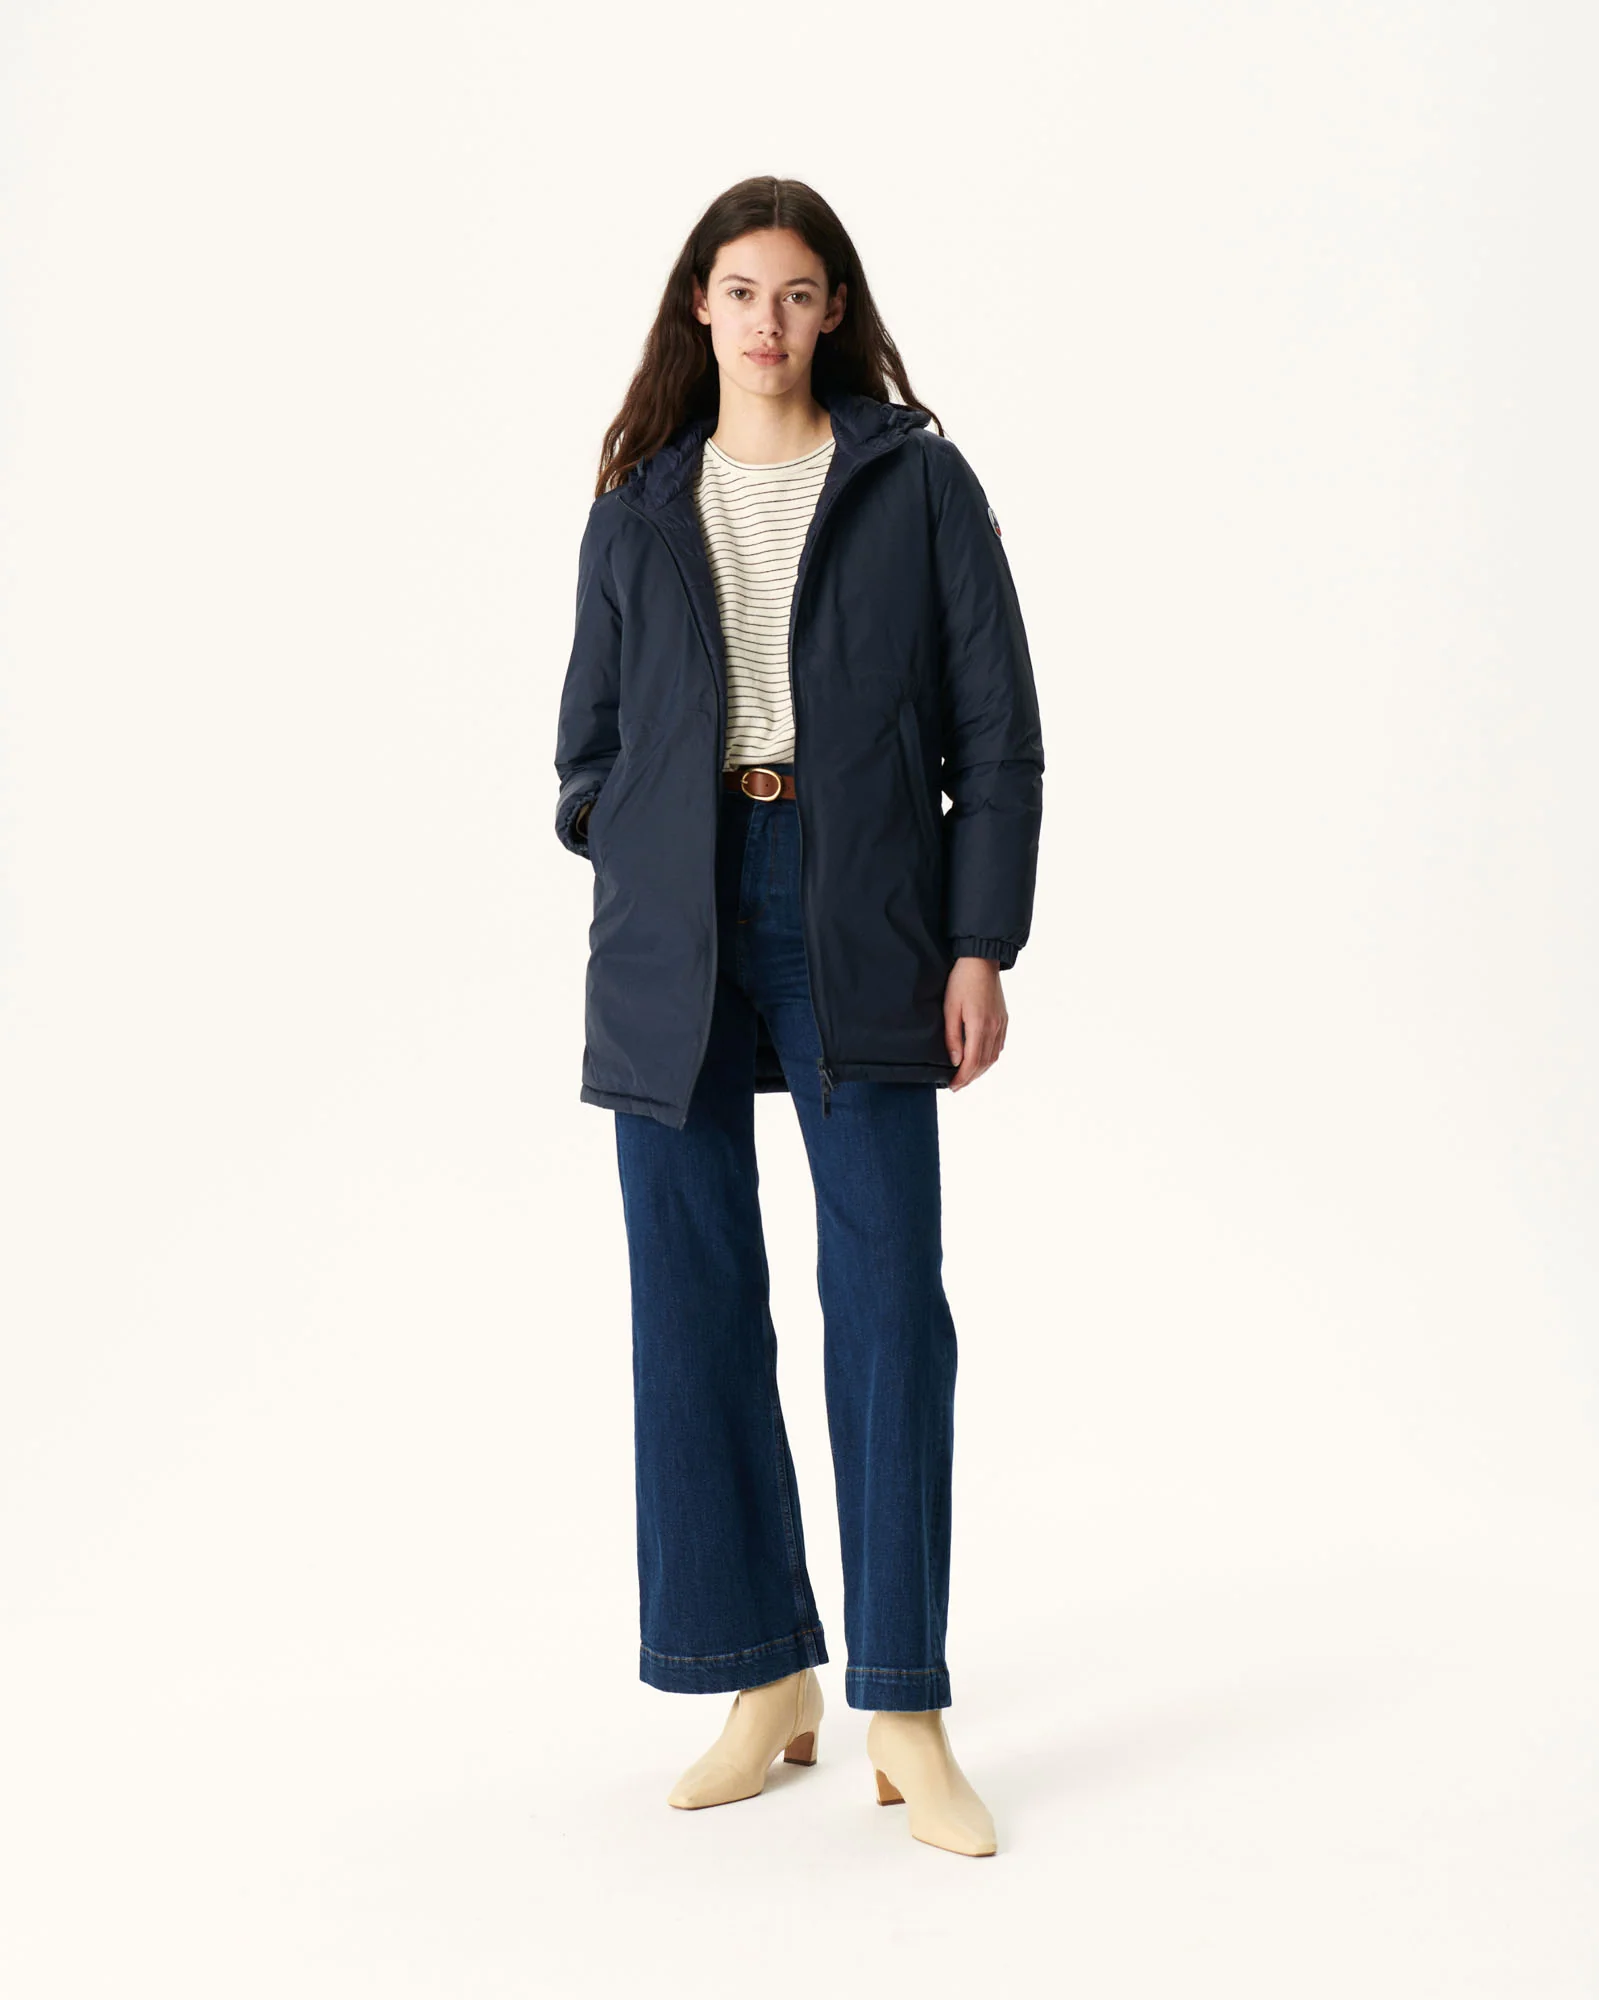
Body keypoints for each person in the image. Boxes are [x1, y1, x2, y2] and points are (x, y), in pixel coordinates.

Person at [552, 176, 1044, 1858]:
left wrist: (977, 941)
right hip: (671, 922)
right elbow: (584, 744)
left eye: (799, 292)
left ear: (834, 312)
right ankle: (760, 1678)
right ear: (697, 305)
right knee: (688, 1304)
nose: (768, 320)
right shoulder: (636, 506)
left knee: (887, 1299)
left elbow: (997, 733)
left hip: (863, 911)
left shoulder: (916, 482)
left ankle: (904, 1702)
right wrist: (633, 834)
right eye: (741, 289)